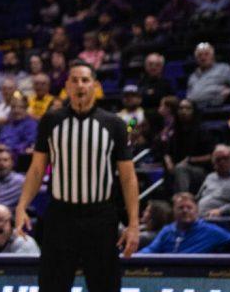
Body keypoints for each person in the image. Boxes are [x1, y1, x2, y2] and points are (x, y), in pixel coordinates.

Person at [15, 61, 139, 292]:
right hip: (61, 216)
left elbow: (128, 178)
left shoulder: (114, 125)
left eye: (85, 80)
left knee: (105, 286)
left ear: (95, 85)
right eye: (74, 80)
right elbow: (36, 169)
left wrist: (133, 224)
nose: (80, 85)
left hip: (101, 217)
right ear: (67, 87)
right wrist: (22, 206)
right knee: (52, 285)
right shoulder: (51, 121)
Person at [138, 192, 230, 253]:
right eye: (180, 208)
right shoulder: (167, 231)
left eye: (189, 207)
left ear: (196, 210)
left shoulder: (211, 231)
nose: (185, 211)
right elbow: (150, 250)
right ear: (174, 211)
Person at [187, 43, 230, 110]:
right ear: (196, 59)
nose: (203, 57)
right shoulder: (193, 76)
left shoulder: (223, 69)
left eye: (206, 54)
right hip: (195, 110)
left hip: (216, 109)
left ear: (212, 56)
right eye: (199, 55)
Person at [196, 144, 230, 217]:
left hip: (222, 217)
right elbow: (198, 198)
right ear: (213, 162)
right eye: (218, 159)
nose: (222, 162)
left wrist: (222, 210)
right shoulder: (210, 177)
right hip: (199, 216)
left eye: (225, 158)